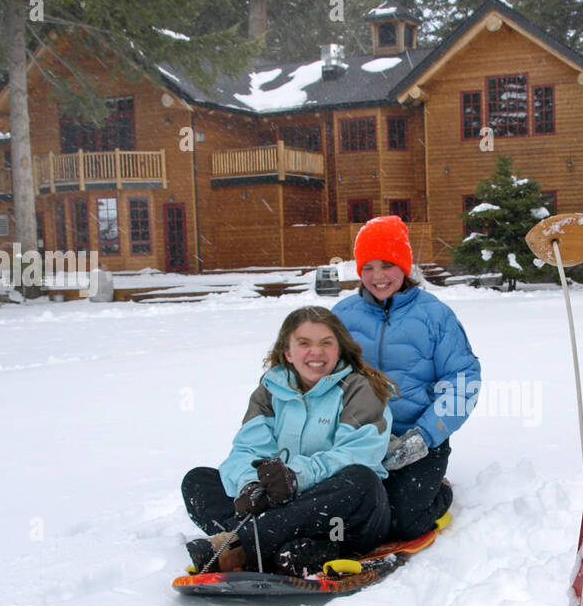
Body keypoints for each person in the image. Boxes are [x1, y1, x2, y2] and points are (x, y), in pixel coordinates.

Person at [181, 307, 395, 576]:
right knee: (198, 481)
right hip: (282, 508)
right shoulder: (270, 391)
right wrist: (250, 485)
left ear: (339, 350)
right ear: (288, 353)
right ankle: (294, 551)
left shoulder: (359, 389)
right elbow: (248, 449)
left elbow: (358, 454)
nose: (315, 352)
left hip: (340, 520)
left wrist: (296, 477)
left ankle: (244, 545)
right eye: (304, 343)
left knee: (361, 480)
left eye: (326, 343)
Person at [334, 216, 481, 540]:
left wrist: (426, 435)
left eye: (387, 264)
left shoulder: (435, 315)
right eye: (367, 267)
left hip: (419, 440)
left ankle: (440, 493)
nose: (377, 276)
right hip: (359, 441)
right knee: (351, 516)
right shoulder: (342, 316)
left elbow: (463, 378)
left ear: (404, 265)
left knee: (403, 523)